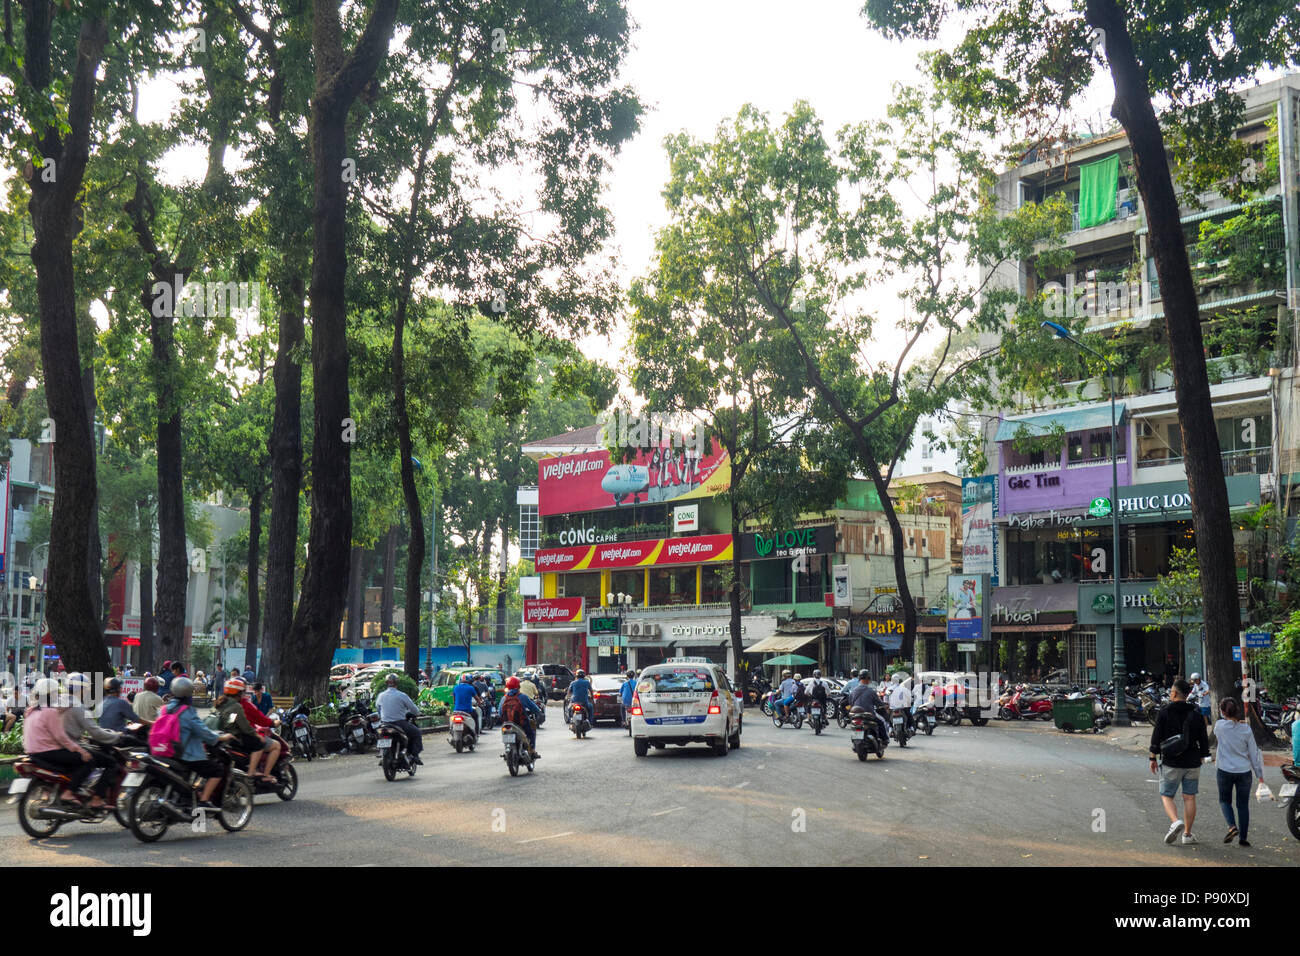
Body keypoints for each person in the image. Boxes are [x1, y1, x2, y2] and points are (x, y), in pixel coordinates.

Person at [1149, 678, 1211, 846]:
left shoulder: (1164, 712)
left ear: (1175, 693)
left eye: (1171, 691)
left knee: (1166, 795)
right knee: (1189, 797)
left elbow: (1156, 737)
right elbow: (1203, 738)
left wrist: (1153, 757)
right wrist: (1204, 754)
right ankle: (1187, 834)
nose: (1170, 694)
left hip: (1171, 762)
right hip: (1192, 762)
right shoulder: (1196, 713)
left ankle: (1175, 821)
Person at [24, 678, 103, 805]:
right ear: (52, 694)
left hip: (32, 752)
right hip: (48, 752)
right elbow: (61, 737)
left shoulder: (31, 711)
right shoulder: (50, 712)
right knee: (89, 760)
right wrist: (80, 750)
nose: (59, 695)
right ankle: (69, 792)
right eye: (57, 693)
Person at [163, 677, 234, 808]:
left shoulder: (164, 709)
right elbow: (203, 732)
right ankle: (204, 801)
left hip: (166, 752)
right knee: (217, 770)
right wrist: (221, 738)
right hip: (187, 754)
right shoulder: (187, 711)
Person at [1213, 696, 1264, 848]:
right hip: (1244, 771)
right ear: (1238, 712)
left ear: (1222, 712)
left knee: (1224, 801)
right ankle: (1243, 838)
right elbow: (1254, 753)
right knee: (1242, 805)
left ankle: (1232, 826)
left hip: (1224, 770)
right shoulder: (1246, 729)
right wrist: (1259, 776)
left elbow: (1225, 727)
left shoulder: (1219, 726)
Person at [215, 678, 273, 782]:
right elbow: (245, 726)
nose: (243, 694)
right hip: (236, 736)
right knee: (259, 744)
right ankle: (251, 772)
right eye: (242, 692)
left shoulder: (221, 703)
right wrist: (256, 735)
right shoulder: (237, 706)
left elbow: (230, 721)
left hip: (224, 734)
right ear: (237, 693)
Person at [375, 673, 422, 764]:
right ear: (397, 683)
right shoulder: (401, 695)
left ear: (386, 683)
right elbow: (413, 709)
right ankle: (415, 755)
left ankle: (382, 751)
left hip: (384, 724)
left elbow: (378, 709)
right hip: (399, 723)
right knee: (417, 733)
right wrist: (418, 713)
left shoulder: (381, 695)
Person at [238, 684, 282, 778]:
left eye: (258, 691)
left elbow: (270, 709)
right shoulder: (246, 704)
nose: (256, 693)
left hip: (263, 720)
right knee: (276, 745)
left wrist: (267, 717)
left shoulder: (230, 705)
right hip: (256, 727)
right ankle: (265, 774)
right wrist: (273, 723)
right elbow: (258, 717)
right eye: (255, 691)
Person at [499, 676, 543, 759]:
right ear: (518, 686)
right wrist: (539, 713)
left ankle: (507, 749)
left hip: (507, 723)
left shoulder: (504, 698)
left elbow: (500, 712)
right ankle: (532, 750)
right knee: (531, 732)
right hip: (521, 723)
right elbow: (534, 708)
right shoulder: (522, 697)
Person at [844, 670, 887, 744]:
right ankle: (885, 739)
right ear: (868, 679)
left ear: (859, 679)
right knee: (882, 721)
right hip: (869, 715)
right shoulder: (871, 691)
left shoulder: (853, 691)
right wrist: (884, 704)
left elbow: (850, 703)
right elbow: (878, 703)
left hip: (855, 716)